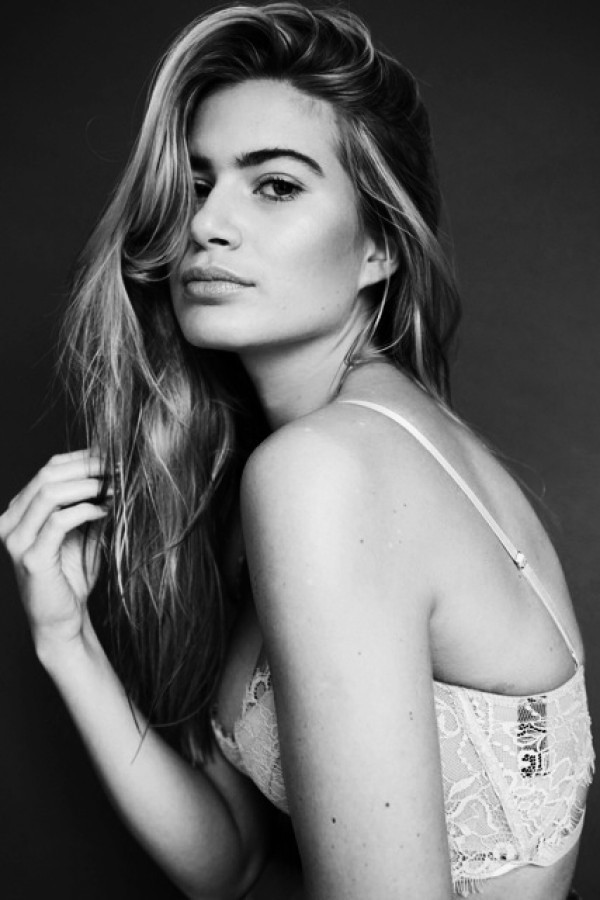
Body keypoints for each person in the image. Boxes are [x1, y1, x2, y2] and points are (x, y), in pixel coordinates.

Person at [0, 3, 593, 898]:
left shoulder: (328, 471)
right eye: (195, 184)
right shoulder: (333, 453)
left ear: (378, 248)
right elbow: (233, 863)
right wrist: (65, 638)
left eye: (274, 185)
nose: (206, 224)